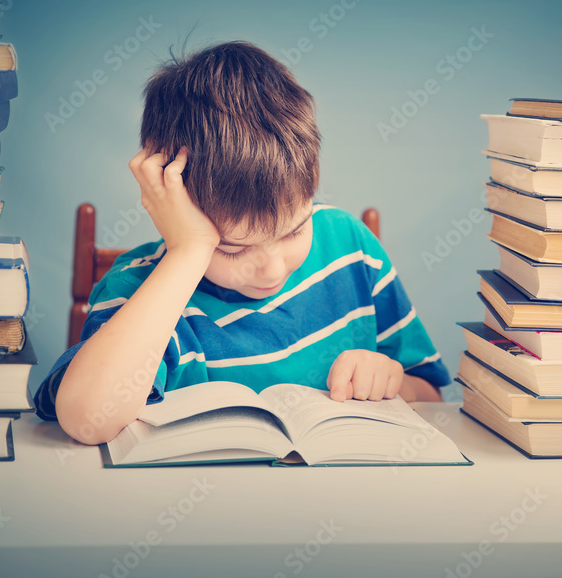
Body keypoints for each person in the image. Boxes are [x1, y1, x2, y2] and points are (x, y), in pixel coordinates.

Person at [34, 41, 450, 445]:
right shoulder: (140, 291)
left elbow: (433, 398)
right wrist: (189, 251)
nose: (270, 269)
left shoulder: (351, 248)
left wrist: (394, 382)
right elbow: (86, 419)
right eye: (230, 248)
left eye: (293, 231)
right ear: (170, 203)